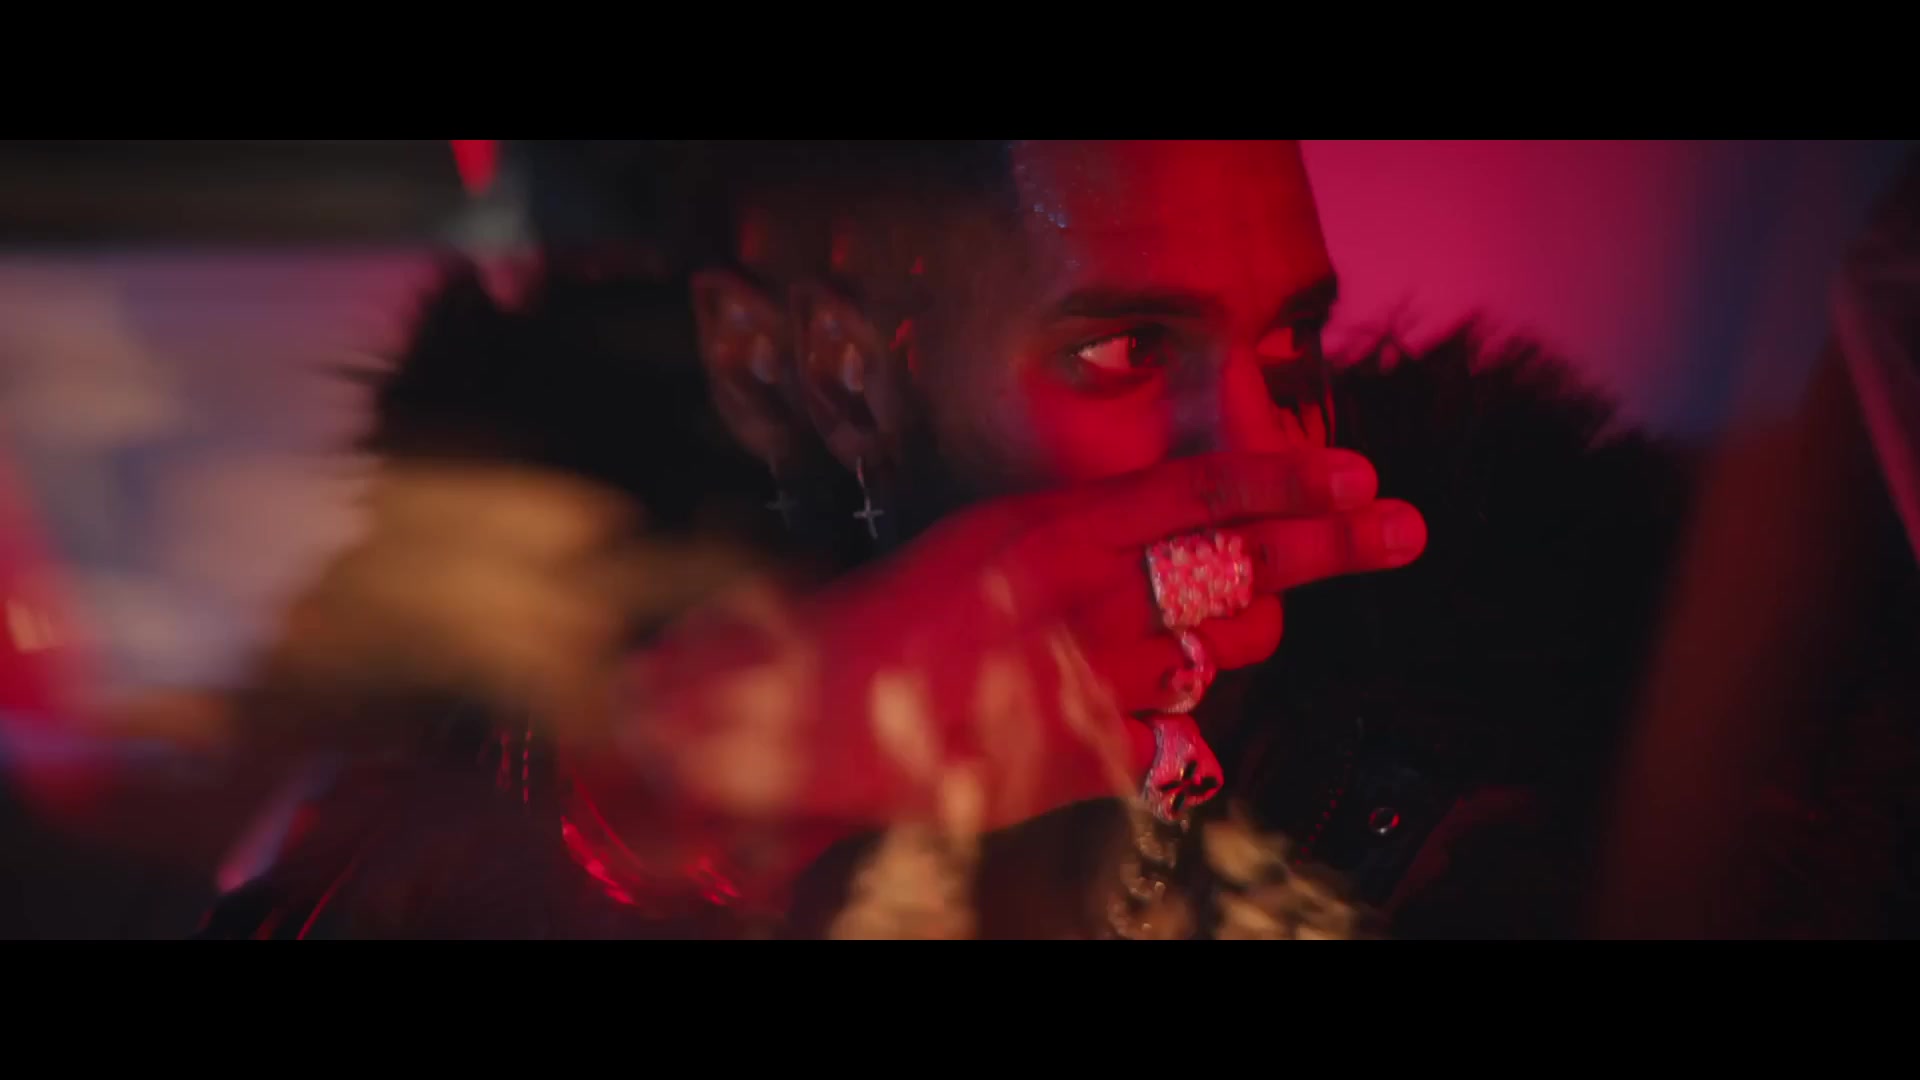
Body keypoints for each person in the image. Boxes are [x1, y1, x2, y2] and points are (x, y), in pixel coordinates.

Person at [206, 140, 1707, 939]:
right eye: (1125, 353)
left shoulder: (1533, 682)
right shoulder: (471, 704)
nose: (1265, 454)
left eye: (1290, 341)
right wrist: (687, 803)